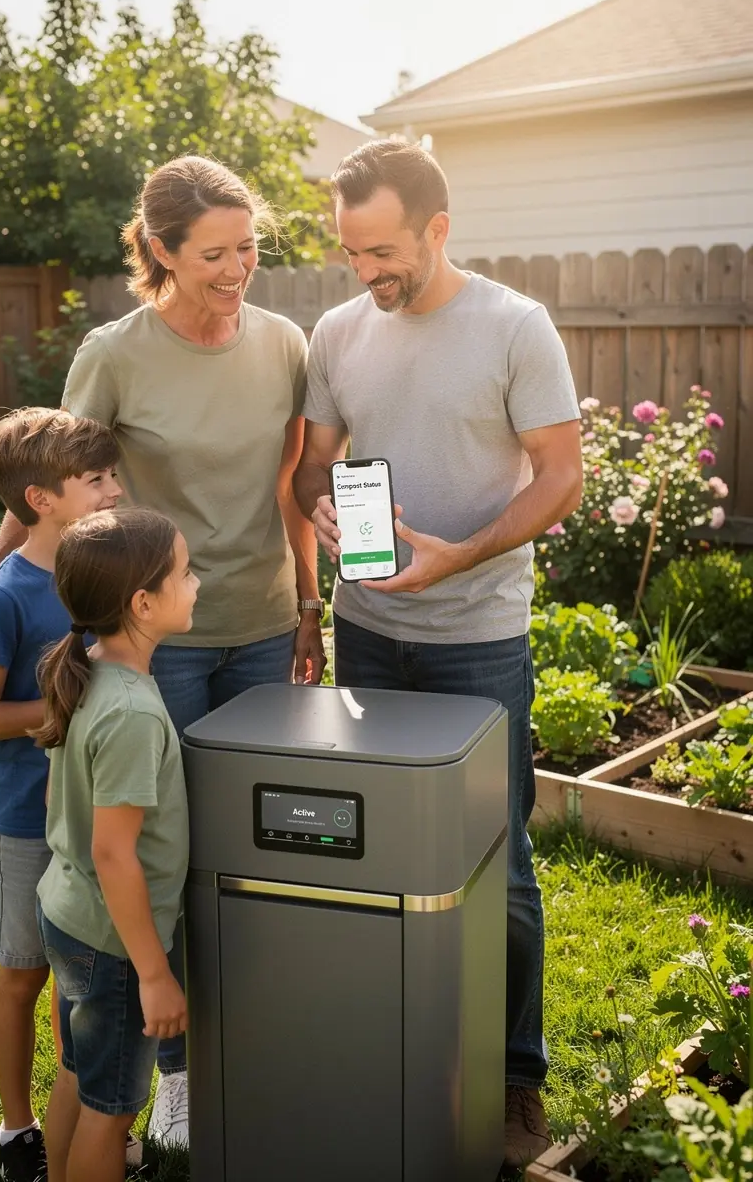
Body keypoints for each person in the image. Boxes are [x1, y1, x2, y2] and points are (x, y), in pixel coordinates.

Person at [0, 154, 326, 1145]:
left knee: (251, 847)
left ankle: (245, 1036)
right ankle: (174, 1069)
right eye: (214, 253)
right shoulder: (115, 353)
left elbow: (293, 482)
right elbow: (51, 488)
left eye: (250, 246)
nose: (238, 267)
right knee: (161, 852)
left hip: (257, 621)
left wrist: (311, 606)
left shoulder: (285, 342)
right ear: (159, 250)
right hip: (154, 639)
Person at [293, 139, 583, 1169]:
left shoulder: (514, 326)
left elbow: (560, 478)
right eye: (351, 252)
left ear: (438, 228)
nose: (365, 271)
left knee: (496, 868)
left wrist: (462, 553)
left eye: (381, 250)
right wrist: (319, 507)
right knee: (379, 855)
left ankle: (516, 1078)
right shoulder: (338, 331)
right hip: (369, 634)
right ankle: (399, 1043)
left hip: (477, 642)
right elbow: (311, 465)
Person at [0, 407, 122, 1182]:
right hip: (25, 822)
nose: (114, 489)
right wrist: (68, 702)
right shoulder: (6, 597)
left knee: (79, 983)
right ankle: (18, 1130)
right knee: (24, 974)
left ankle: (80, 1120)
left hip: (88, 819)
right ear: (41, 499)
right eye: (96, 480)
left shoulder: (100, 574)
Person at [33, 506, 198, 1182]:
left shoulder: (91, 671)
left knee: (79, 1075)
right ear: (142, 603)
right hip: (116, 947)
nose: (196, 583)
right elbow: (113, 852)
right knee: (113, 1110)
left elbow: (58, 805)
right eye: (186, 574)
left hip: (68, 917)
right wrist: (155, 975)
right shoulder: (131, 712)